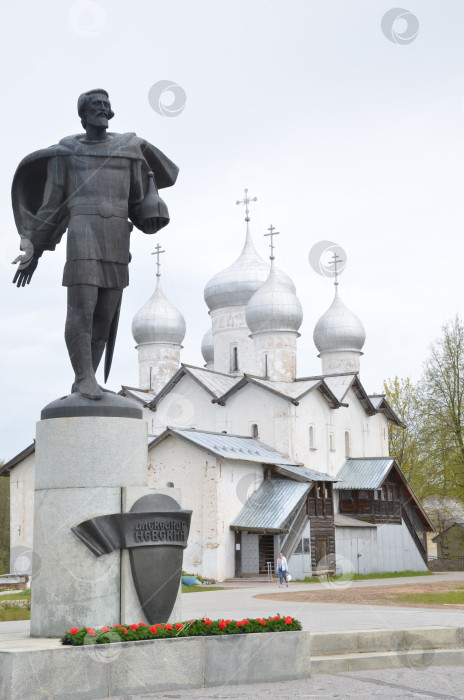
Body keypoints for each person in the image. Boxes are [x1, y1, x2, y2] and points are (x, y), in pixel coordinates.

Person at [12, 89, 178, 400]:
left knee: (105, 313)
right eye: (95, 106)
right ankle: (83, 376)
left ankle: (87, 378)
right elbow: (51, 205)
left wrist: (152, 215)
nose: (102, 110)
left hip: (116, 235)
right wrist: (34, 249)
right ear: (83, 115)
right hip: (82, 235)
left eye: (106, 105)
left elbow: (139, 201)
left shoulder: (129, 150)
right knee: (81, 310)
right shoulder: (66, 153)